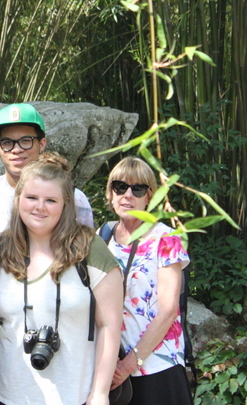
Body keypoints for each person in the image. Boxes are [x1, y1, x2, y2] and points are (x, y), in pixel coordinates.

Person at [0, 153, 122, 405]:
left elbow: (110, 325)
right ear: (18, 200)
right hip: (6, 395)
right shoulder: (0, 248)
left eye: (50, 200)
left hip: (73, 395)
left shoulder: (89, 248)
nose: (39, 207)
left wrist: (100, 393)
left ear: (65, 204)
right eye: (31, 198)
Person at [104, 157, 192, 404]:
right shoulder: (103, 237)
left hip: (156, 365)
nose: (127, 195)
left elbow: (168, 310)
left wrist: (130, 364)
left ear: (149, 197)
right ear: (110, 193)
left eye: (137, 189)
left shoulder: (166, 238)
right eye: (120, 187)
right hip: (113, 366)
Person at [0, 103, 95, 236]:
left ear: (42, 144)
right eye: (7, 143)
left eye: (26, 141)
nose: (16, 149)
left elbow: (86, 248)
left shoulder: (73, 198)